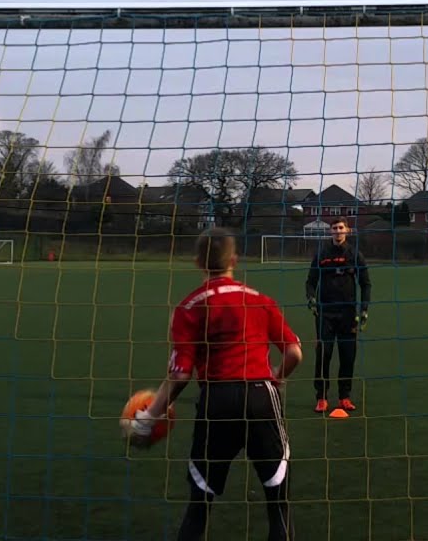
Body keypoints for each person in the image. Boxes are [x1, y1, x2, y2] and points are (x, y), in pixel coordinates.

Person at [129, 227, 302, 541]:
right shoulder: (261, 301)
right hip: (261, 396)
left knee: (200, 505)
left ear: (198, 262)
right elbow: (294, 352)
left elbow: (180, 374)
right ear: (235, 259)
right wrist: (275, 378)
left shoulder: (189, 307)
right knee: (278, 504)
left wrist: (148, 418)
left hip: (217, 401)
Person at [305, 217, 372, 413]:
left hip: (348, 313)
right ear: (330, 232)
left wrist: (364, 308)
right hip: (325, 313)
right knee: (323, 355)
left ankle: (344, 397)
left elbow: (366, 283)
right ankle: (322, 397)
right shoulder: (321, 254)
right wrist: (311, 298)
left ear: (347, 230)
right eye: (334, 228)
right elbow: (310, 281)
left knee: (347, 356)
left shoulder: (355, 255)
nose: (337, 231)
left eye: (341, 228)